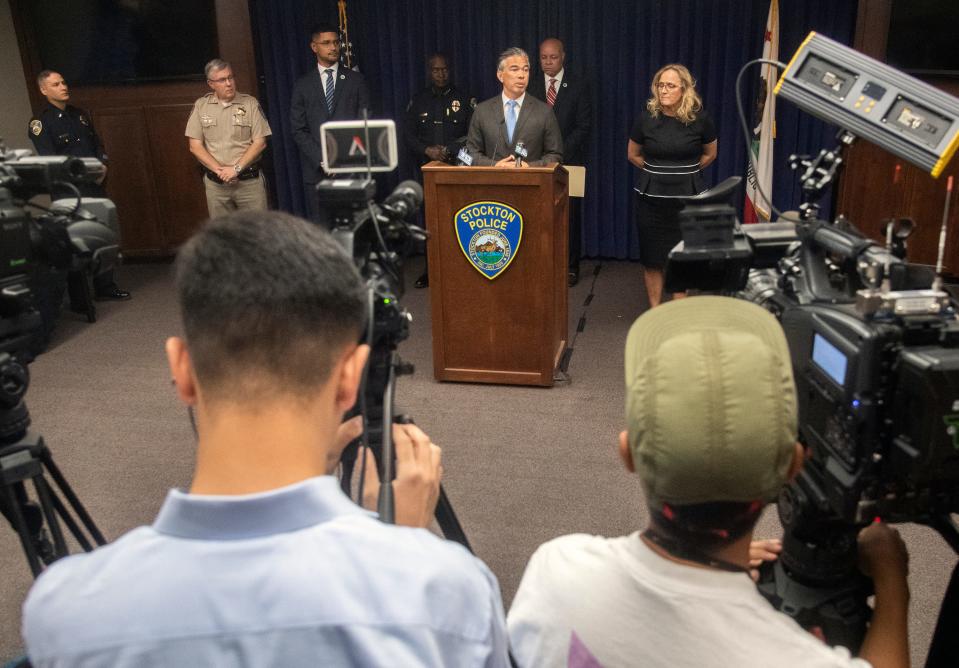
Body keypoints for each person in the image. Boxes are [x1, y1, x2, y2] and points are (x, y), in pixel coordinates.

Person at [21, 210, 510, 666]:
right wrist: (403, 556)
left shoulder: (63, 611)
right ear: (350, 379)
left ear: (182, 370)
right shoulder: (451, 591)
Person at [507, 296, 910, 668]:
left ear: (628, 453)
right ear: (793, 465)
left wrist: (697, 560)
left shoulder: (556, 570)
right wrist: (893, 587)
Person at [28, 70, 130, 302]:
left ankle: (105, 286)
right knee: (75, 241)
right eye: (56, 84)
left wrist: (103, 163)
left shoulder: (79, 115)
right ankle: (80, 297)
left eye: (64, 82)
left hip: (94, 185)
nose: (63, 87)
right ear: (44, 90)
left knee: (101, 235)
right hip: (68, 191)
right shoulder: (41, 123)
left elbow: (96, 143)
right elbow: (50, 160)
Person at [627, 64, 717, 308]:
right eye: (660, 85)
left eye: (670, 86)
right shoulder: (646, 118)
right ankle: (656, 312)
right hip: (651, 201)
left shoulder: (700, 119)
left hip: (686, 201)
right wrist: (657, 171)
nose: (663, 90)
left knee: (682, 258)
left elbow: (710, 153)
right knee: (652, 259)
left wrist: (686, 172)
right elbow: (633, 154)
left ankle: (678, 313)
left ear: (684, 89)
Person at [403, 53, 475, 288]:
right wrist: (427, 150)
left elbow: (474, 134)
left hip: (458, 169)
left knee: (461, 219)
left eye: (444, 70)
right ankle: (431, 270)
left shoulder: (464, 99)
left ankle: (462, 270)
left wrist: (451, 149)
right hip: (428, 170)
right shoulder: (419, 100)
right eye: (436, 70)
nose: (441, 74)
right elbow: (408, 136)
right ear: (429, 72)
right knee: (431, 223)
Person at [527, 37, 591, 286]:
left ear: (563, 56)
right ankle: (541, 265)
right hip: (536, 162)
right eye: (543, 57)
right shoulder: (530, 85)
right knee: (537, 215)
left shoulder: (579, 85)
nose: (548, 62)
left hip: (569, 161)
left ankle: (570, 266)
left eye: (553, 57)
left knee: (569, 217)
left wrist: (558, 152)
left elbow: (583, 127)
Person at [291, 23, 371, 221]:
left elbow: (365, 121)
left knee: (355, 229)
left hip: (350, 170)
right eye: (326, 43)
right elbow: (298, 129)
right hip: (317, 172)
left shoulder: (356, 80)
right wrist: (323, 159)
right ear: (314, 47)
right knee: (321, 232)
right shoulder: (303, 85)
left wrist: (340, 160)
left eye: (336, 42)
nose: (333, 47)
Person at [185, 59, 272, 217]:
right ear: (211, 84)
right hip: (217, 186)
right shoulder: (201, 106)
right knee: (222, 235)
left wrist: (235, 169)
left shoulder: (250, 104)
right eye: (222, 80)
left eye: (230, 77)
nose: (229, 83)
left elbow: (260, 143)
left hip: (249, 183)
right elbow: (195, 146)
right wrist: (221, 172)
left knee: (257, 233)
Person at [466, 47, 562, 168]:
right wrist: (495, 165)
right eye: (514, 69)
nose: (521, 75)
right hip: (492, 183)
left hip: (531, 183)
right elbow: (471, 153)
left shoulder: (544, 111)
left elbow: (555, 155)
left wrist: (530, 167)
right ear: (500, 75)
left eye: (525, 70)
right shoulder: (482, 111)